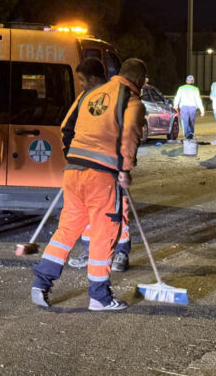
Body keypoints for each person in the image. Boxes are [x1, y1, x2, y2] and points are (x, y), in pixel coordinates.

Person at [31, 58, 146, 311]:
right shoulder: (132, 101)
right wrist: (125, 170)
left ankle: (40, 283)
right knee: (103, 234)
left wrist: (76, 158)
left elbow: (66, 127)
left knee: (67, 230)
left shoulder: (90, 94)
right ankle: (99, 297)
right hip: (103, 177)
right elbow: (129, 137)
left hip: (73, 172)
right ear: (140, 80)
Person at [67, 57, 132, 273]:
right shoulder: (87, 97)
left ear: (94, 78)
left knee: (118, 210)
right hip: (91, 168)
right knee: (93, 211)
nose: (81, 85)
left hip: (111, 168)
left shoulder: (115, 95)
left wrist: (123, 166)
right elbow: (67, 128)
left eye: (82, 80)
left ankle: (120, 253)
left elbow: (128, 132)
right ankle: (93, 251)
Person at [173, 74, 205, 139]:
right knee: (191, 123)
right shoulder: (195, 89)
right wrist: (202, 109)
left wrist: (175, 105)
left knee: (185, 122)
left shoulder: (181, 88)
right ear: (193, 82)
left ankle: (186, 135)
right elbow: (198, 99)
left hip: (184, 108)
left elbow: (177, 97)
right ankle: (190, 135)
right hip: (192, 108)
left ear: (186, 81)